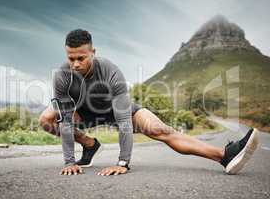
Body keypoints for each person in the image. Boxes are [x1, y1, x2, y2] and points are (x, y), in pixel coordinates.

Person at [39, 29, 259, 176]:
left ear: (93, 53)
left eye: (81, 58)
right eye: (71, 58)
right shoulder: (61, 76)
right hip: (84, 113)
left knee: (160, 129)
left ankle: (224, 155)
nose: (75, 64)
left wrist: (122, 162)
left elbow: (124, 120)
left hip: (117, 111)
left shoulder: (111, 71)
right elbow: (66, 120)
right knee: (47, 119)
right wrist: (69, 162)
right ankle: (89, 145)